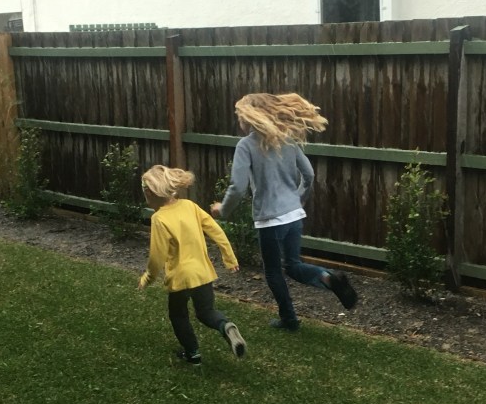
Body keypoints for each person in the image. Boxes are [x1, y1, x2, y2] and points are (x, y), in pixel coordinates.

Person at [211, 92, 357, 332]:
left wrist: (223, 209)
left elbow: (238, 187)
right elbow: (309, 174)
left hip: (270, 220)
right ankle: (328, 277)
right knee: (293, 265)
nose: (238, 119)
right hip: (294, 216)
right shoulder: (287, 140)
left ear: (250, 116)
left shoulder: (245, 145)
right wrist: (297, 199)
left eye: (239, 115)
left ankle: (289, 319)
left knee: (273, 272)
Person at [138, 164, 247, 365]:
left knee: (178, 315)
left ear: (150, 193)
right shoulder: (190, 206)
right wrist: (230, 258)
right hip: (203, 273)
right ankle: (226, 326)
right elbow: (216, 231)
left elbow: (156, 257)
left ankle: (193, 354)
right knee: (206, 312)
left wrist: (148, 278)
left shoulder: (159, 218)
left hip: (181, 278)